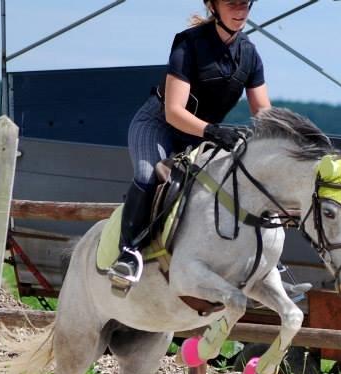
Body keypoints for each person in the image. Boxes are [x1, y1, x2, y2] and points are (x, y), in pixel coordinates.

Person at [110, 0, 270, 289]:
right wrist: (213, 131)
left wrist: (281, 139)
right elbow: (174, 111)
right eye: (232, 4)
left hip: (201, 134)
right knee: (148, 175)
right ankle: (129, 252)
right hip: (159, 125)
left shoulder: (249, 54)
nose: (241, 11)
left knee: (238, 180)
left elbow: (263, 113)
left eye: (245, 4)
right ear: (212, 6)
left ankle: (266, 264)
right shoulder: (189, 44)